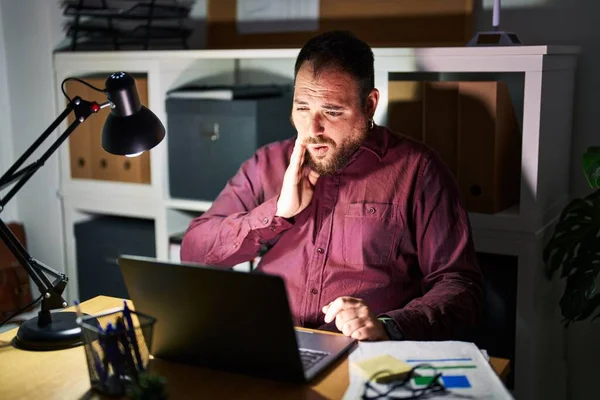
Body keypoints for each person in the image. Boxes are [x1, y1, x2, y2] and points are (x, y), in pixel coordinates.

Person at [181, 30, 482, 341]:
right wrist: (275, 213)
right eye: (302, 108)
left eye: (332, 112)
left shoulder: (419, 171)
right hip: (270, 343)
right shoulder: (267, 163)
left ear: (369, 105)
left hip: (363, 354)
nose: (313, 130)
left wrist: (390, 325)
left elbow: (460, 287)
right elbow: (193, 251)